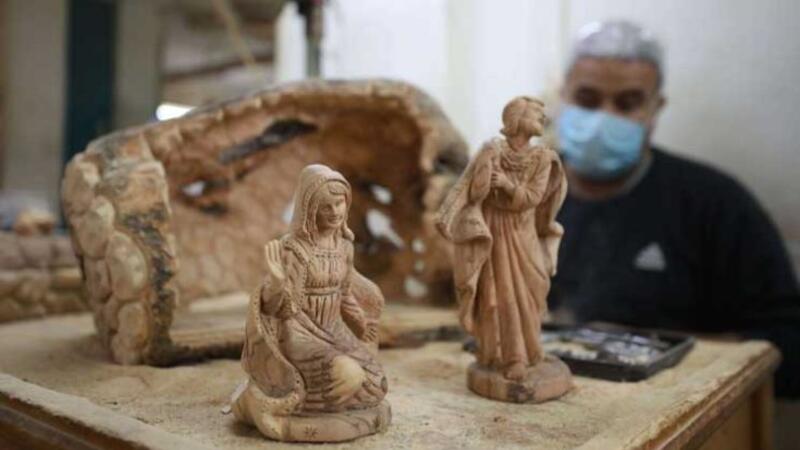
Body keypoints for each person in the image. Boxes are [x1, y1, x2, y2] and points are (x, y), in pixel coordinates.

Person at [549, 20, 800, 397]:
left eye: (628, 103)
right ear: (563, 96)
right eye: (587, 99)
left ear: (656, 108)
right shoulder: (522, 195)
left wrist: (648, 350)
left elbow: (788, 345)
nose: (604, 117)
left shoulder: (714, 203)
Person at [438, 97, 567, 381]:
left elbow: (533, 198)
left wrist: (508, 185)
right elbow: (467, 187)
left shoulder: (543, 158)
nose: (542, 118)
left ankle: (530, 352)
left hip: (523, 233)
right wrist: (447, 215)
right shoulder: (491, 150)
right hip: (493, 232)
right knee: (498, 295)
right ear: (518, 118)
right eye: (536, 113)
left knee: (530, 293)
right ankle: (508, 356)